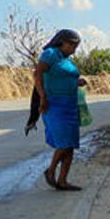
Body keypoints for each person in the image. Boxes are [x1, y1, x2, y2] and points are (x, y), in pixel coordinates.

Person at [34, 29, 87, 191]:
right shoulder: (50, 54)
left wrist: (77, 82)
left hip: (70, 105)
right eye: (72, 46)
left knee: (70, 144)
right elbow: (37, 75)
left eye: (76, 47)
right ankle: (50, 171)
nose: (74, 50)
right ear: (62, 42)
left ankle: (63, 180)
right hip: (55, 104)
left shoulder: (67, 60)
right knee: (64, 142)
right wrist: (42, 97)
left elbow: (64, 77)